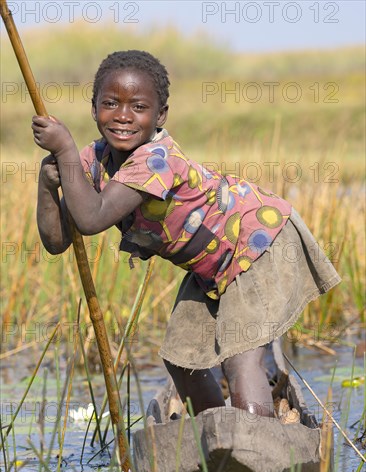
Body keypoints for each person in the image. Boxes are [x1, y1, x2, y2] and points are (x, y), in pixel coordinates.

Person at [33, 50, 341, 418]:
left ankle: (256, 443)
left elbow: (91, 218)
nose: (123, 116)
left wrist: (64, 148)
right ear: (94, 108)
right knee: (183, 359)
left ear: (160, 115)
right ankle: (215, 443)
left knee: (239, 359)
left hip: (257, 243)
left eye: (139, 107)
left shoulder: (156, 159)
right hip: (212, 267)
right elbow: (57, 241)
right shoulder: (93, 160)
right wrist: (47, 185)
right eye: (110, 103)